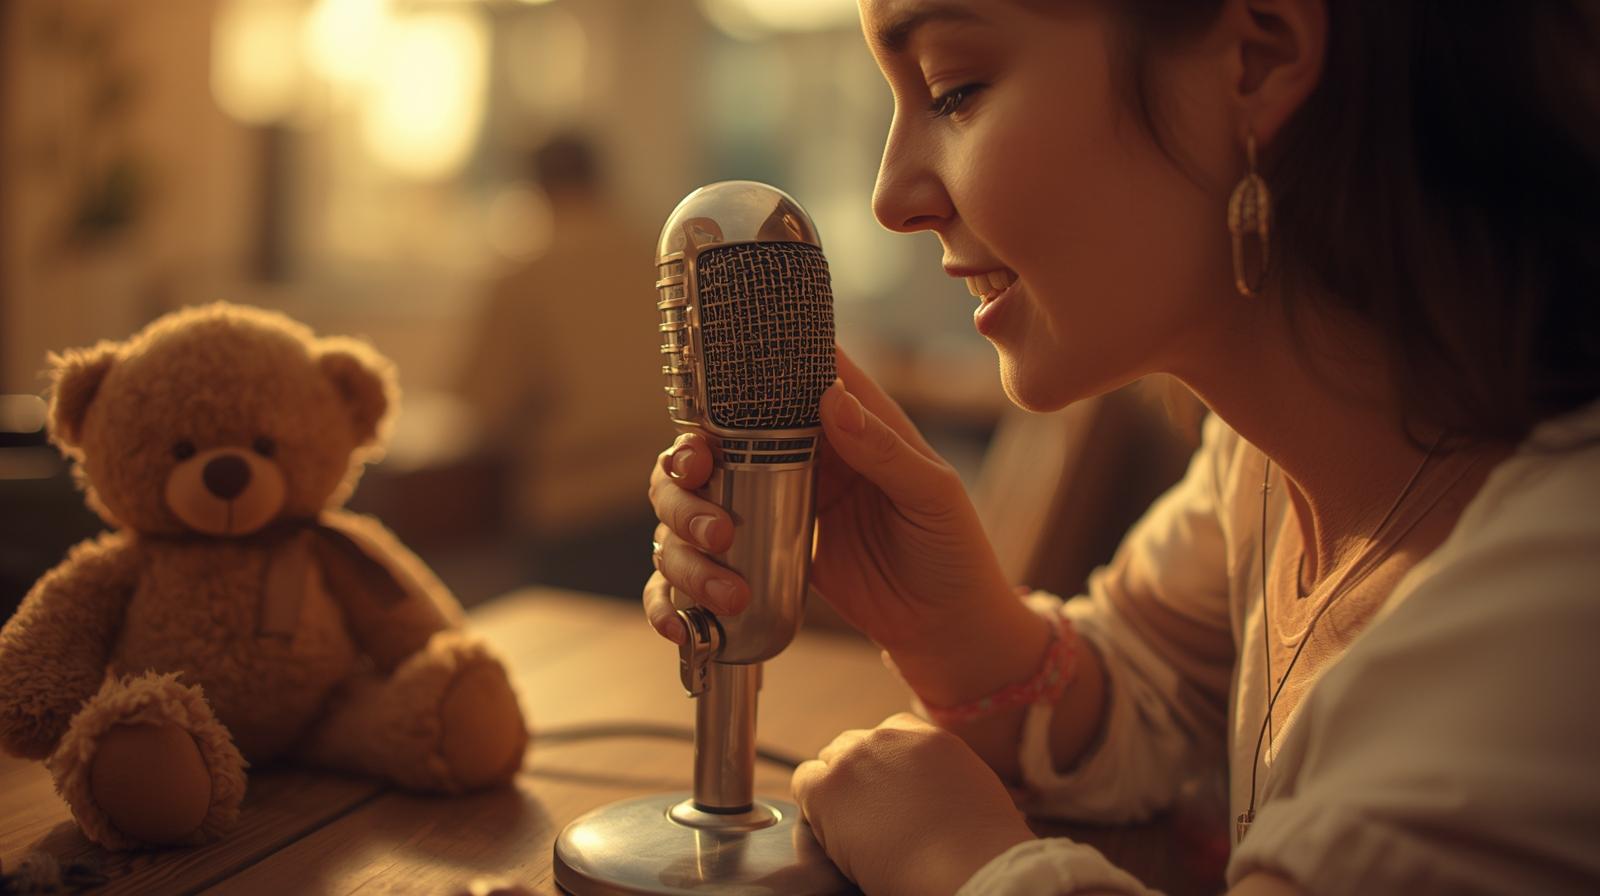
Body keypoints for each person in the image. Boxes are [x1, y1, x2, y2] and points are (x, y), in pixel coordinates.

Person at [643, 2, 1600, 894]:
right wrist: (949, 623)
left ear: (1254, 59)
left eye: (953, 89)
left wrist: (965, 860)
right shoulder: (1262, 461)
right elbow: (1160, 694)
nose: (893, 196)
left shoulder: (1550, 626)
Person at [460, 132, 673, 598]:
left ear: (536, 189)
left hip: (575, 514)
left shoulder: (526, 278)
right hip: (680, 498)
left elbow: (485, 405)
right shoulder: (668, 257)